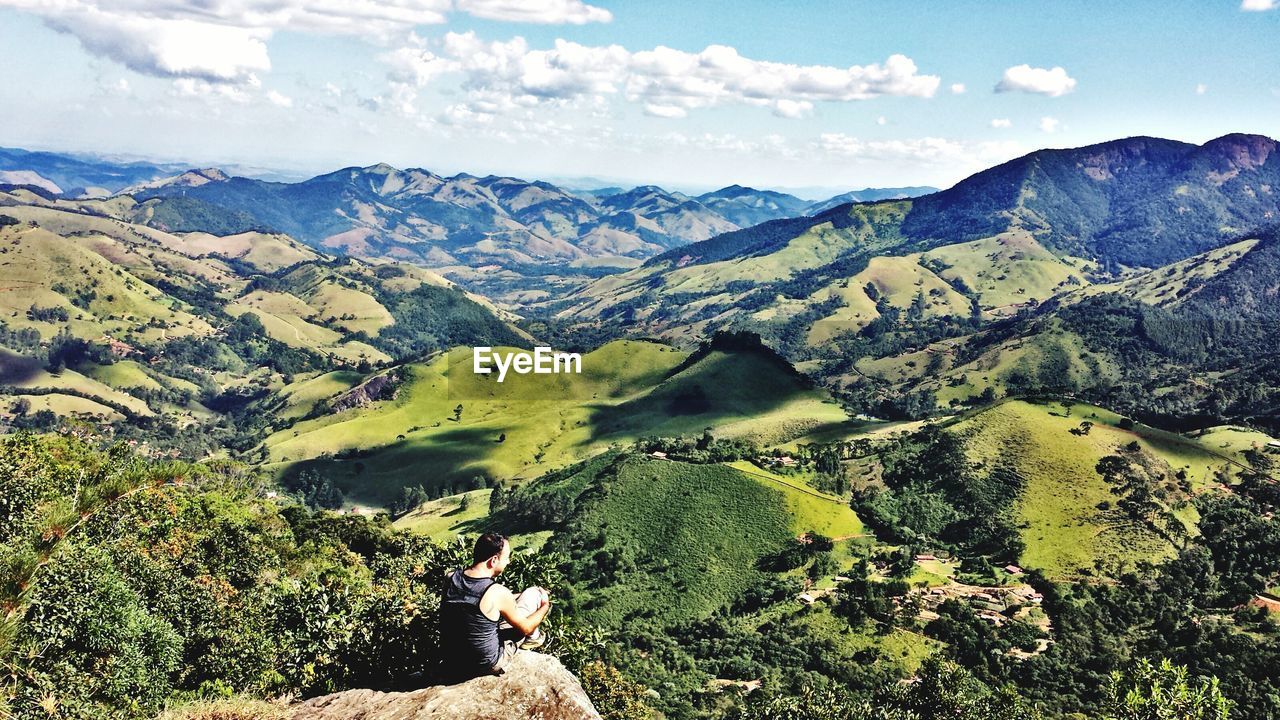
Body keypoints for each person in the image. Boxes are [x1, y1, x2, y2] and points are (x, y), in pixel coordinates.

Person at [438, 532, 551, 681]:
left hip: (454, 660)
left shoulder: (451, 577)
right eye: (507, 557)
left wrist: (517, 596)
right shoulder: (496, 592)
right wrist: (544, 605)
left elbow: (472, 598)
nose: (509, 562)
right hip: (484, 664)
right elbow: (526, 627)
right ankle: (535, 639)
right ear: (494, 560)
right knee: (534, 594)